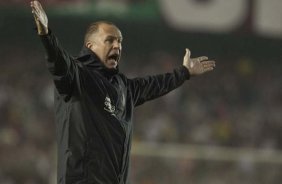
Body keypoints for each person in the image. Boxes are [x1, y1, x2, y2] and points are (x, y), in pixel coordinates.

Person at [30, 1, 216, 183]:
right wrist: (46, 35)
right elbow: (59, 63)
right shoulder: (78, 77)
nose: (117, 46)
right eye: (109, 40)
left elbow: (155, 84)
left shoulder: (124, 87)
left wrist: (184, 72)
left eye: (119, 41)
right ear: (90, 46)